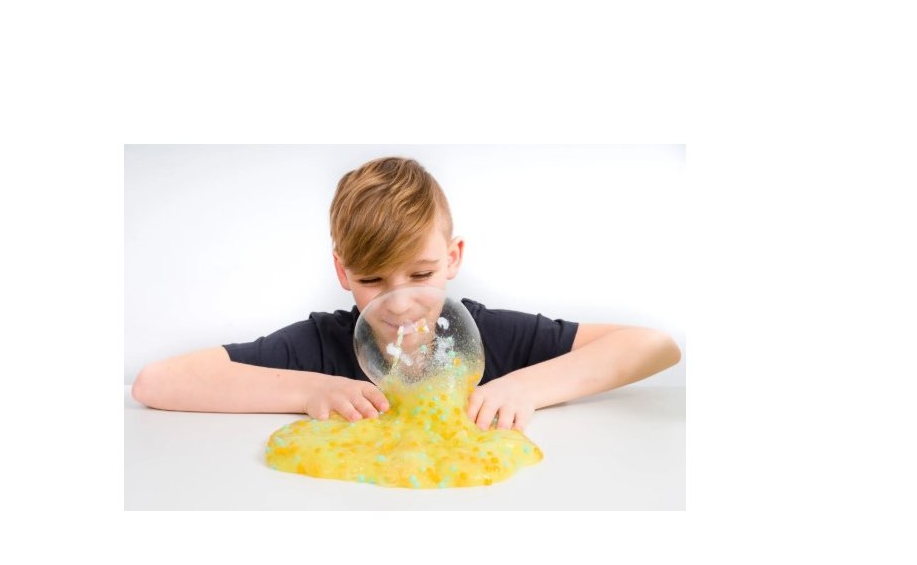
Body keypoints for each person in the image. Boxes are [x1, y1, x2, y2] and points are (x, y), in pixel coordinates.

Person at [131, 156, 681, 431]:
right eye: (372, 279)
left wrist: (527, 387)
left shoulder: (488, 334)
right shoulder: (321, 344)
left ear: (453, 258)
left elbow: (656, 346)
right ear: (342, 271)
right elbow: (156, 383)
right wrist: (310, 390)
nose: (398, 303)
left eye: (420, 275)